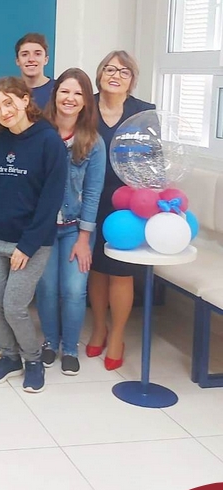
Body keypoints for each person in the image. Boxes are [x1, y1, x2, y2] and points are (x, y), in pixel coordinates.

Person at [0, 77, 67, 394]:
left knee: (13, 306)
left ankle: (33, 360)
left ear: (25, 100)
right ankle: (10, 357)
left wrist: (27, 246)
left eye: (8, 103)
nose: (4, 112)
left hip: (30, 243)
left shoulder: (49, 141)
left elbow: (51, 201)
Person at [34, 70, 106, 375]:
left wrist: (84, 238)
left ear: (86, 101)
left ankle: (70, 348)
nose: (70, 99)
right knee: (47, 288)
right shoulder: (39, 133)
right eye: (65, 91)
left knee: (74, 290)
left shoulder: (93, 142)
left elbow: (92, 193)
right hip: (43, 229)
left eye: (78, 93)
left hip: (77, 229)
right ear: (55, 95)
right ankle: (50, 342)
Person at [87, 50, 154, 369]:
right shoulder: (86, 107)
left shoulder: (144, 112)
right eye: (110, 70)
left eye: (124, 72)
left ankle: (117, 335)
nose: (115, 76)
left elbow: (154, 160)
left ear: (132, 80)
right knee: (97, 268)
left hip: (129, 202)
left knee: (121, 270)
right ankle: (99, 328)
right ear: (100, 74)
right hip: (90, 198)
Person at [15, 32, 53, 109]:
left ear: (46, 59)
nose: (31, 59)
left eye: (37, 54)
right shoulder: (10, 92)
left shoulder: (58, 89)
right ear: (17, 61)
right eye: (25, 54)